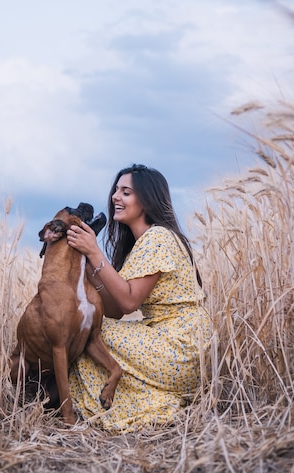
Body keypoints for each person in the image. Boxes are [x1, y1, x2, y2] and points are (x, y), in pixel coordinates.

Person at [66, 163, 211, 432]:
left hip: (180, 343)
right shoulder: (141, 244)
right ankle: (154, 400)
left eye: (126, 192)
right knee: (93, 327)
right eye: (116, 191)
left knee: (87, 330)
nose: (115, 197)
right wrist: (88, 267)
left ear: (146, 200)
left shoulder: (158, 237)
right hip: (167, 339)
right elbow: (116, 310)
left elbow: (130, 302)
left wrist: (95, 253)